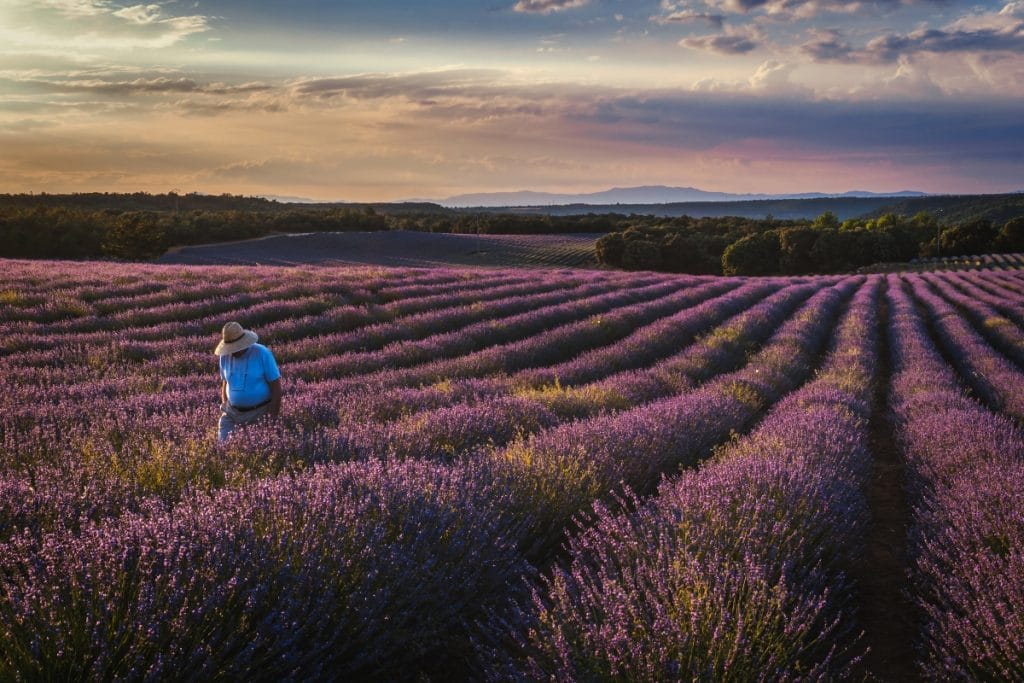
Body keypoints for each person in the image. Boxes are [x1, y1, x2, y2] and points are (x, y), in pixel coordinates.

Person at [215, 321, 281, 441]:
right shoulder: (224, 356)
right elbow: (225, 383)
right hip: (232, 413)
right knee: (223, 447)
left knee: (257, 450)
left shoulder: (262, 353)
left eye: (236, 347)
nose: (233, 351)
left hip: (259, 413)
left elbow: (276, 387)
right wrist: (225, 405)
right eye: (231, 348)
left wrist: (272, 419)